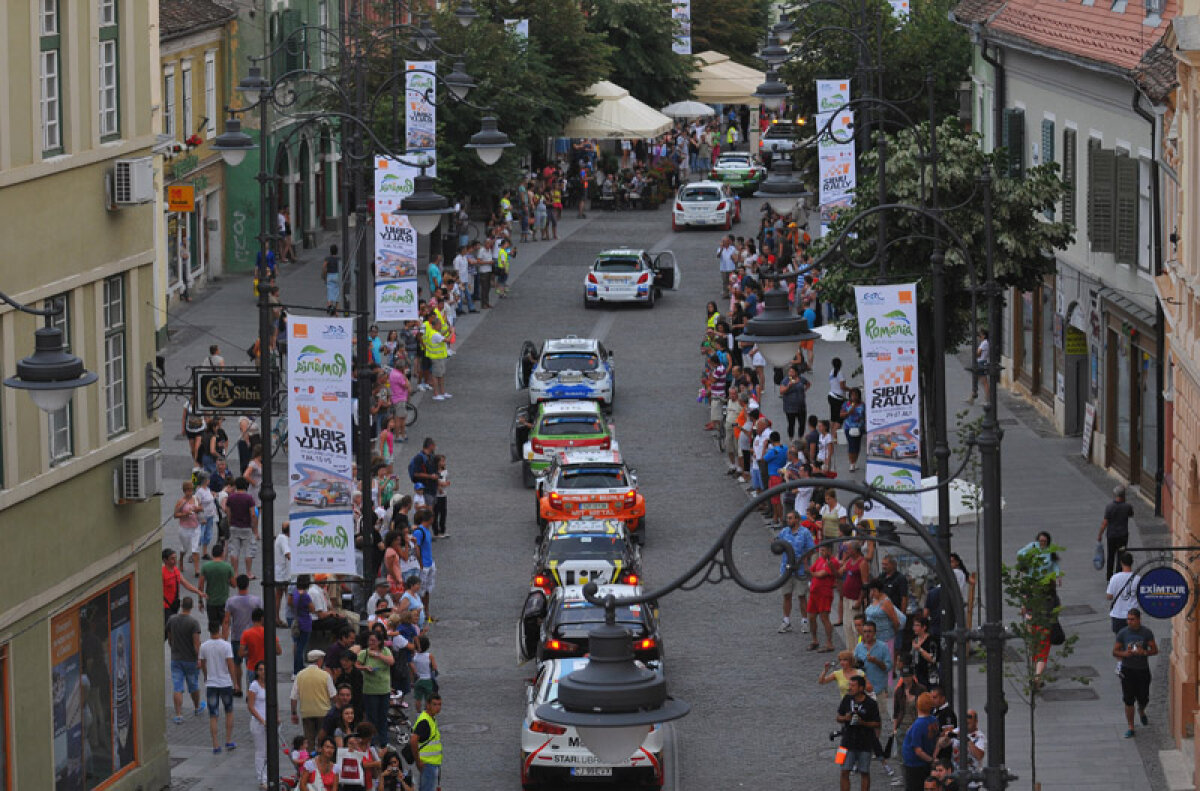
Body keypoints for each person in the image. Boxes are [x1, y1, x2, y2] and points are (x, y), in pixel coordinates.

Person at [1114, 608, 1157, 738]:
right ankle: (1131, 727)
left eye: (1132, 619)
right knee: (1128, 700)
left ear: (1139, 619)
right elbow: (1115, 651)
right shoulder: (1123, 633)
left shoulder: (1146, 633)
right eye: (1128, 619)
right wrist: (1124, 653)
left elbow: (1154, 650)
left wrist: (1143, 652)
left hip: (1142, 669)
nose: (1129, 622)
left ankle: (1142, 710)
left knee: (1144, 697)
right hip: (1127, 670)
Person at [198, 621, 239, 753]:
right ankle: (228, 740)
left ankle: (215, 744)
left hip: (211, 683)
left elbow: (203, 664)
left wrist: (206, 675)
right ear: (219, 630)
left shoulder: (203, 646)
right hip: (225, 682)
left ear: (209, 630)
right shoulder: (226, 645)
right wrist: (235, 682)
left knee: (213, 715)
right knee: (229, 712)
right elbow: (230, 664)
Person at [837, 675, 881, 791]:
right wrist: (845, 718)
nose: (849, 688)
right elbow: (838, 717)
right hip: (846, 742)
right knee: (844, 771)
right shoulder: (847, 699)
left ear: (861, 688)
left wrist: (864, 723)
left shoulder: (871, 703)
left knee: (864, 772)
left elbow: (877, 723)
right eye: (849, 685)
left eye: (852, 686)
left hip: (865, 743)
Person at [166, 596, 205, 722]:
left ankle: (178, 714)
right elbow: (196, 643)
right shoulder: (193, 623)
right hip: (190, 659)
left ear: (181, 605)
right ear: (192, 606)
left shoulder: (172, 619)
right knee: (193, 685)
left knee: (177, 687)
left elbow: (169, 636)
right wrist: (199, 658)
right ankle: (197, 707)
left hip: (176, 658)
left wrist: (173, 646)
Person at [776, 511, 815, 634]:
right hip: (786, 569)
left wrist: (804, 560)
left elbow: (811, 549)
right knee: (786, 595)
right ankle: (786, 621)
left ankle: (804, 621)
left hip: (800, 570)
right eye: (787, 518)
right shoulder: (784, 532)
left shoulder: (805, 533)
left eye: (791, 518)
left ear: (797, 519)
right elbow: (777, 544)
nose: (788, 520)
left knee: (802, 596)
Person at [291, 649, 337, 746]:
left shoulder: (300, 675)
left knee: (309, 740)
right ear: (319, 660)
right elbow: (333, 695)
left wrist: (294, 713)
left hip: (307, 712)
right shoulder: (325, 675)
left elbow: (294, 697)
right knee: (323, 740)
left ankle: (310, 759)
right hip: (323, 712)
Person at [358, 630, 395, 748]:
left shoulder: (385, 651)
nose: (371, 643)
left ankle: (384, 741)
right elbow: (357, 665)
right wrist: (365, 667)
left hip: (384, 689)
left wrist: (378, 655)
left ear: (379, 642)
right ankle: (371, 741)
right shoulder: (364, 653)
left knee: (383, 716)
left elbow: (391, 661)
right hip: (370, 690)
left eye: (374, 641)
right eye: (370, 640)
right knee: (371, 717)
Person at [225, 573, 261, 683]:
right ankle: (251, 687)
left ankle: (238, 687)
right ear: (248, 584)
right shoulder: (256, 601)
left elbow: (226, 621)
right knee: (252, 663)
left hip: (237, 636)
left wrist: (224, 638)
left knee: (236, 663)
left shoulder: (231, 601)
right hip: (252, 636)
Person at [902, 693, 938, 790]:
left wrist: (931, 760)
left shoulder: (918, 725)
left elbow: (918, 750)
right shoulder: (933, 720)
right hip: (923, 762)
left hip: (915, 765)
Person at [163, 548, 204, 635]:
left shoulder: (175, 570)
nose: (175, 561)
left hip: (174, 605)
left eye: (175, 558)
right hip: (165, 607)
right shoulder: (162, 572)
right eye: (172, 558)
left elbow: (185, 583)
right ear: (165, 560)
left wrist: (198, 592)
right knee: (168, 630)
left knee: (170, 630)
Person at [1098, 485, 1135, 580]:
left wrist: (1100, 534)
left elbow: (1105, 523)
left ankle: (1109, 577)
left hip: (1111, 536)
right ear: (1124, 495)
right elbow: (1131, 514)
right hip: (1122, 536)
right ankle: (1118, 576)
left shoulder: (1109, 507)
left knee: (1111, 556)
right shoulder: (1127, 507)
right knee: (1121, 556)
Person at [225, 477, 259, 578]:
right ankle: (249, 573)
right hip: (246, 527)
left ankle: (235, 573)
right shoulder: (249, 498)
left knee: (234, 551)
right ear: (246, 486)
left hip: (234, 526)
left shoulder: (231, 497)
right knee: (248, 551)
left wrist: (230, 522)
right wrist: (254, 527)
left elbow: (227, 511)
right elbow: (253, 514)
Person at [809, 544, 839, 652]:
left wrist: (811, 573)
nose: (821, 552)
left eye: (823, 550)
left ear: (829, 550)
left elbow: (820, 574)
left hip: (824, 593)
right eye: (821, 550)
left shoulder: (833, 562)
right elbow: (812, 570)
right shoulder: (820, 559)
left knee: (824, 618)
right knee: (811, 617)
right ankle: (814, 640)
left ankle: (829, 643)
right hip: (814, 592)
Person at [198, 542, 235, 631]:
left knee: (213, 625)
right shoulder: (228, 567)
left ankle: (214, 641)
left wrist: (200, 601)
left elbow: (200, 586)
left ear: (212, 553)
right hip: (224, 601)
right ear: (222, 553)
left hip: (211, 601)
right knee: (225, 623)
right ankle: (224, 641)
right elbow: (234, 584)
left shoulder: (205, 567)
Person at [410, 694, 443, 791]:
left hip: (432, 763)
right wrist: (418, 761)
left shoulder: (430, 718)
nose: (438, 707)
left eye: (439, 704)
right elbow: (413, 741)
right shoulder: (425, 721)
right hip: (428, 764)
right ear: (428, 705)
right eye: (435, 704)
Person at [247, 661, 270, 789]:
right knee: (261, 751)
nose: (263, 672)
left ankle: (268, 775)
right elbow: (251, 706)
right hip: (258, 723)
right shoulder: (254, 686)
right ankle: (262, 778)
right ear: (257, 672)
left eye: (265, 669)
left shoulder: (270, 684)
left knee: (269, 751)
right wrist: (261, 720)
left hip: (269, 722)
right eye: (260, 669)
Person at [1106, 552, 1141, 634]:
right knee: (1133, 640)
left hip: (1118, 615)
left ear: (1121, 563)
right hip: (1133, 616)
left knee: (1120, 641)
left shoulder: (1115, 578)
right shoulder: (1138, 579)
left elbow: (1109, 596)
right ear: (1132, 562)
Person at [174, 481, 203, 577]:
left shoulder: (196, 499)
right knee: (185, 548)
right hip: (184, 528)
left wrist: (198, 509)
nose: (189, 493)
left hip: (195, 527)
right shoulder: (181, 502)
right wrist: (185, 514)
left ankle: (197, 570)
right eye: (187, 491)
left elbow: (201, 508)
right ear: (184, 491)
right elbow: (175, 515)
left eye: (191, 490)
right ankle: (181, 560)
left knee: (195, 549)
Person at [841, 388, 866, 471]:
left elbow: (865, 415)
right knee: (851, 445)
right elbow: (842, 414)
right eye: (852, 395)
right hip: (849, 427)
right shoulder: (846, 404)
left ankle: (855, 461)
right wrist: (850, 410)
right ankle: (851, 463)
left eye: (856, 395)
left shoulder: (862, 404)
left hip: (859, 427)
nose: (854, 397)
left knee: (857, 446)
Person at [322, 244, 341, 314]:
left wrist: (324, 276)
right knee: (337, 293)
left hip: (330, 275)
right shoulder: (339, 259)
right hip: (337, 275)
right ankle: (336, 311)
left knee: (330, 291)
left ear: (330, 251)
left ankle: (329, 305)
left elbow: (324, 267)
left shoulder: (327, 258)